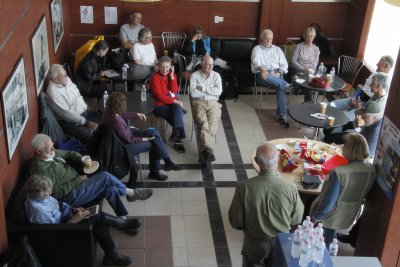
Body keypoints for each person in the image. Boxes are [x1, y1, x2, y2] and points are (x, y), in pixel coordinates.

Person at [24, 175, 139, 266]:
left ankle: (111, 256)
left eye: (49, 190)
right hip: (65, 229)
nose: (49, 193)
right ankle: (122, 225)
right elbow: (55, 231)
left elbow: (58, 204)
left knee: (99, 225)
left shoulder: (40, 196)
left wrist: (73, 209)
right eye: (46, 192)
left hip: (67, 216)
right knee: (96, 215)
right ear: (35, 192)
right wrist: (75, 220)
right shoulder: (38, 210)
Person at [29, 134, 153, 217]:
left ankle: (122, 218)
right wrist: (78, 179)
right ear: (39, 152)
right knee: (105, 176)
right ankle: (132, 194)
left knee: (111, 188)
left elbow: (68, 153)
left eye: (53, 146)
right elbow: (58, 193)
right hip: (69, 196)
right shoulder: (41, 169)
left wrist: (82, 159)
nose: (54, 150)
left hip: (78, 184)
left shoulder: (49, 153)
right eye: (50, 148)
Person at [229, 143, 304, 267]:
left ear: (257, 161)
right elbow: (297, 218)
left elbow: (235, 221)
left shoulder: (243, 187)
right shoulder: (290, 188)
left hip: (254, 244)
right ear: (278, 160)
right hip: (281, 243)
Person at [310, 133, 376, 247]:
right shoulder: (372, 169)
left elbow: (328, 202)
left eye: (345, 144)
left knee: (324, 245)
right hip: (351, 213)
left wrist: (315, 218)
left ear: (350, 149)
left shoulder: (339, 172)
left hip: (331, 216)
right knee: (331, 237)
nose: (343, 146)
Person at [103, 92, 182, 181]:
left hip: (124, 136)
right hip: (125, 147)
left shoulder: (109, 112)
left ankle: (167, 162)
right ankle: (155, 171)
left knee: (154, 132)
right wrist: (144, 139)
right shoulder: (116, 122)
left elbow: (122, 114)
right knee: (153, 143)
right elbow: (130, 140)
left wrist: (136, 114)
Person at [323, 73, 389, 157]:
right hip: (357, 125)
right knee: (327, 130)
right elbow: (361, 113)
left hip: (358, 129)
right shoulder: (375, 96)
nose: (370, 85)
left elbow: (366, 150)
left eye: (372, 83)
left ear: (379, 86)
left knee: (329, 137)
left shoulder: (379, 107)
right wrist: (359, 106)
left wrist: (342, 146)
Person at [46, 64, 102, 146]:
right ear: (55, 79)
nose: (67, 76)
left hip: (83, 112)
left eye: (66, 73)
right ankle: (90, 152)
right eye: (64, 75)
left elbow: (77, 93)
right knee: (88, 134)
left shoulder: (65, 79)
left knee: (102, 119)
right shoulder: (53, 93)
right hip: (68, 121)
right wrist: (87, 123)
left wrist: (85, 105)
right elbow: (67, 114)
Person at [330, 55, 394, 121]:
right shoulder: (375, 74)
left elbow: (373, 107)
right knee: (331, 105)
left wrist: (361, 107)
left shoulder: (386, 85)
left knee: (344, 119)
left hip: (362, 108)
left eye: (379, 63)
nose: (376, 64)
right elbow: (364, 89)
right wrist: (354, 96)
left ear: (386, 66)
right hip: (357, 99)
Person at [251, 29, 290, 128]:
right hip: (263, 73)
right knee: (281, 84)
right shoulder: (256, 49)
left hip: (277, 72)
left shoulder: (277, 49)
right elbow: (256, 62)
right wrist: (262, 69)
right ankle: (285, 84)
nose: (269, 41)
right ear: (261, 39)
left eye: (271, 39)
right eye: (267, 39)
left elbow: (284, 64)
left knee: (280, 85)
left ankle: (282, 115)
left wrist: (280, 72)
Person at [189, 55, 222, 166]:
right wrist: (210, 91)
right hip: (198, 102)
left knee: (212, 126)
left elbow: (218, 92)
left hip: (213, 103)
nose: (210, 67)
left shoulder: (216, 75)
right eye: (208, 64)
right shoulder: (194, 76)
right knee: (204, 125)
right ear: (202, 64)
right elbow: (193, 93)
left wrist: (203, 88)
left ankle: (206, 153)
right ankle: (209, 152)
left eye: (212, 64)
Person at [150, 56, 186, 153]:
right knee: (179, 115)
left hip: (171, 101)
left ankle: (176, 136)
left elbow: (174, 92)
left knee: (177, 111)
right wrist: (175, 101)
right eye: (162, 67)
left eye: (167, 67)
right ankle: (177, 139)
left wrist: (172, 77)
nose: (165, 69)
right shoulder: (155, 78)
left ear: (170, 67)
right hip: (159, 104)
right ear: (158, 66)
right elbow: (159, 96)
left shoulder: (171, 75)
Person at [291, 27, 320, 102]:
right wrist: (303, 68)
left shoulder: (316, 49)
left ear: (314, 37)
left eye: (311, 37)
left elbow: (315, 63)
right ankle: (307, 100)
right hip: (298, 68)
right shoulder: (299, 46)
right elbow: (293, 61)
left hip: (310, 70)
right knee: (307, 82)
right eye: (308, 37)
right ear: (304, 36)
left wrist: (310, 70)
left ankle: (307, 102)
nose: (309, 39)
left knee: (310, 80)